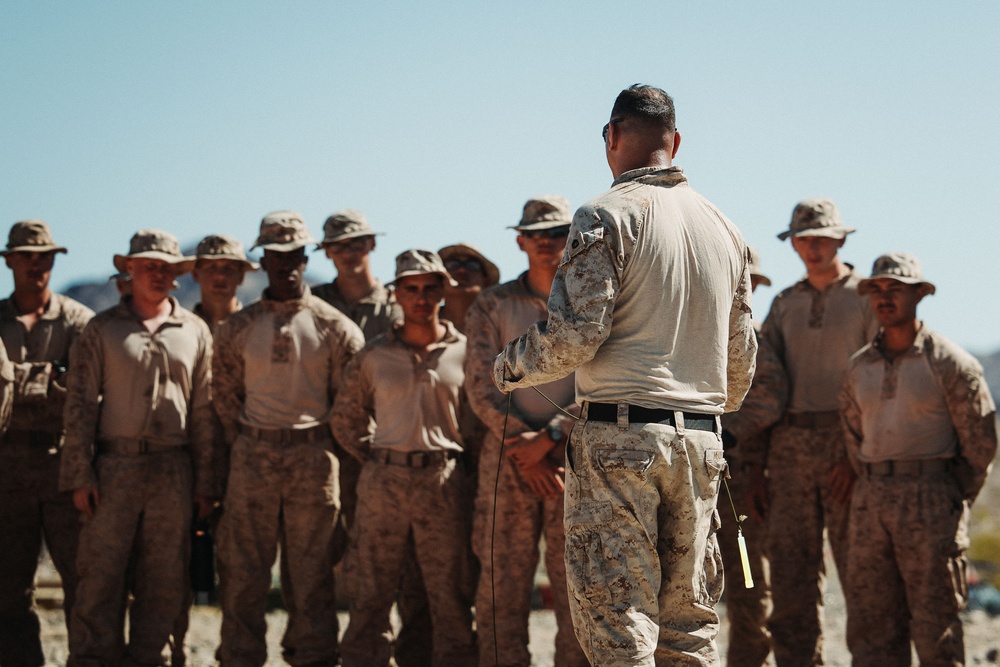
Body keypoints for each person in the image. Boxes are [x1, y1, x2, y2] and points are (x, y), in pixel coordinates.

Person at [492, 84, 756, 666]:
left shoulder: (606, 215)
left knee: (619, 624)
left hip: (620, 444)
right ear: (676, 141)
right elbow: (739, 373)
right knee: (687, 626)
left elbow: (574, 335)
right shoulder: (725, 230)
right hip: (701, 443)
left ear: (610, 138)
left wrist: (510, 366)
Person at [213, 211, 364, 667]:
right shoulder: (237, 328)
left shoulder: (335, 328)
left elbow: (349, 405)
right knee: (243, 574)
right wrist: (249, 441)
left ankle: (313, 656)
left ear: (306, 255)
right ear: (262, 260)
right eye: (276, 256)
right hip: (252, 457)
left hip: (313, 460)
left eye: (294, 254)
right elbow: (224, 397)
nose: (286, 264)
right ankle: (240, 657)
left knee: (312, 576)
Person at [60, 229, 214, 666]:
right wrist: (79, 473)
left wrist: (205, 482)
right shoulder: (101, 329)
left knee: (165, 585)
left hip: (173, 473)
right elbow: (79, 405)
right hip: (113, 471)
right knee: (100, 584)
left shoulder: (196, 331)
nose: (158, 275)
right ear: (130, 269)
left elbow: (204, 412)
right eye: (149, 266)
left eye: (166, 268)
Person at [840, 252, 997, 666]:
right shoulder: (859, 368)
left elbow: (980, 444)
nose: (884, 298)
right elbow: (853, 433)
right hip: (870, 499)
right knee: (871, 628)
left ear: (919, 295)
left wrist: (948, 496)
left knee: (935, 627)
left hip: (930, 499)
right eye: (877, 290)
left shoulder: (951, 363)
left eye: (896, 289)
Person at [743, 198, 878, 666]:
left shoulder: (868, 297)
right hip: (788, 450)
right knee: (791, 582)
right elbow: (761, 387)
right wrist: (756, 468)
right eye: (803, 239)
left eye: (822, 238)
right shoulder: (784, 303)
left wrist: (855, 456)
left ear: (841, 240)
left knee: (863, 580)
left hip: (849, 448)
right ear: (793, 243)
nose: (812, 247)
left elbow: (882, 383)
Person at [332, 249, 477, 667]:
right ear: (395, 293)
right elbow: (345, 418)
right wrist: (379, 458)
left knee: (450, 596)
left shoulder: (464, 352)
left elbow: (479, 421)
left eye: (430, 288)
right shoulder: (373, 355)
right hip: (385, 482)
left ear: (443, 292)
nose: (420, 297)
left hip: (443, 482)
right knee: (370, 595)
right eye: (410, 288)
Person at [464, 197, 587, 667]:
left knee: (575, 588)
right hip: (506, 460)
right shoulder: (492, 305)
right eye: (535, 234)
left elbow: (608, 379)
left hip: (572, 461)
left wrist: (553, 438)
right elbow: (480, 384)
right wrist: (523, 446)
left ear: (571, 237)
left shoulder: (589, 300)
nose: (545, 242)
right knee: (500, 588)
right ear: (520, 241)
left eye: (556, 232)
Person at [0, 220, 94, 666]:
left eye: (44, 257)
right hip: (6, 465)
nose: (36, 265)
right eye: (26, 256)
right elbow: (65, 387)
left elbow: (89, 392)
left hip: (64, 463)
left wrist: (16, 381)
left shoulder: (80, 322)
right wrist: (52, 377)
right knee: (7, 590)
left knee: (84, 583)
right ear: (9, 261)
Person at [716, 246, 780, 667]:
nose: (747, 291)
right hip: (695, 473)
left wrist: (725, 434)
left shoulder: (761, 341)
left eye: (753, 284)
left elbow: (769, 402)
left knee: (748, 586)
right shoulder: (698, 331)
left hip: (742, 483)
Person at [438, 243, 500, 333]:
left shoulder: (502, 323)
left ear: (486, 282)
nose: (462, 270)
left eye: (472, 265)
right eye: (453, 264)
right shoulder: (421, 321)